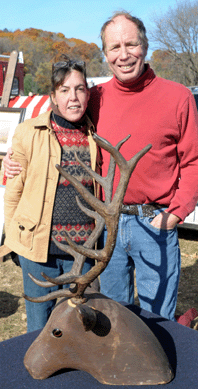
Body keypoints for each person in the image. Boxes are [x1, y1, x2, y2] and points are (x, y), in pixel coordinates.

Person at [4, 11, 198, 321]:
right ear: (105, 54)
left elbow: (193, 161)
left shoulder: (178, 98)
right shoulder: (95, 96)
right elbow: (56, 114)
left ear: (145, 46)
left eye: (131, 44)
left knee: (156, 318)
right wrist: (14, 157)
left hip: (154, 221)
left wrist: (174, 215)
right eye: (114, 47)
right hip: (106, 226)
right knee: (110, 315)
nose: (124, 55)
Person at [1, 56, 99, 332]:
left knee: (77, 325)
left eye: (80, 89)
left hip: (82, 251)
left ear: (88, 93)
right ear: (53, 96)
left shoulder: (95, 136)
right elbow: (13, 191)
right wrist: (15, 241)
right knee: (39, 326)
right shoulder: (28, 132)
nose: (74, 97)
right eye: (65, 90)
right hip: (38, 249)